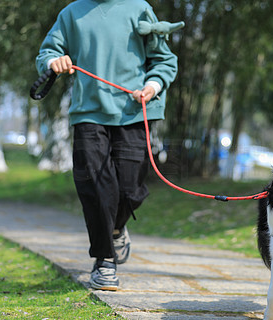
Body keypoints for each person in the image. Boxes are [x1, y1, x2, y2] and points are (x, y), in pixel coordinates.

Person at [35, 0, 180, 291]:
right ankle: (104, 260)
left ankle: (115, 228)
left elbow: (164, 61)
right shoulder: (72, 13)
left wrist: (152, 86)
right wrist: (54, 62)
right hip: (89, 113)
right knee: (97, 187)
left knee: (130, 188)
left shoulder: (139, 8)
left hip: (134, 112)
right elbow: (47, 52)